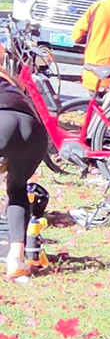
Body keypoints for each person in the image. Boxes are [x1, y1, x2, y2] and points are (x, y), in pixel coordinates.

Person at [0, 69, 48, 282]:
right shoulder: (7, 76)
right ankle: (15, 261)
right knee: (17, 189)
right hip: (34, 130)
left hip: (3, 122)